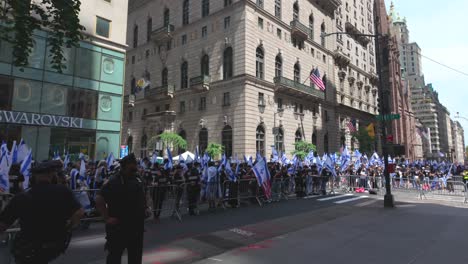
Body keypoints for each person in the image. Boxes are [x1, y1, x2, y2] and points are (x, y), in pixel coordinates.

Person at [0, 161, 84, 264]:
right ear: (53, 175)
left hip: (28, 250)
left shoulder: (21, 198)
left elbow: (3, 224)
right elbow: (79, 212)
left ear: (33, 177)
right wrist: (69, 226)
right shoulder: (64, 192)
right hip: (52, 247)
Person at [95, 153, 149, 264]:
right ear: (127, 165)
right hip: (118, 227)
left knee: (135, 257)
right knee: (114, 256)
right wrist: (106, 218)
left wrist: (147, 208)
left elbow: (144, 196)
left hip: (136, 227)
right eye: (133, 164)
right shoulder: (113, 181)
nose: (136, 166)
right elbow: (99, 198)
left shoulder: (138, 179)